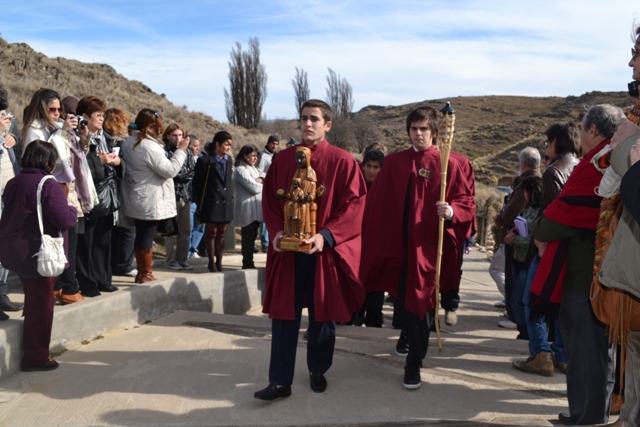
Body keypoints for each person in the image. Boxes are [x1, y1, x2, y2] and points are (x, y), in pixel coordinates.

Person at [254, 99, 366, 401]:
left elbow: (354, 205)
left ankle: (318, 369)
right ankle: (280, 381)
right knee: (284, 314)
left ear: (327, 125)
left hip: (322, 252)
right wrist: (276, 232)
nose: (308, 124)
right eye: (304, 118)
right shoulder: (282, 160)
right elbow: (270, 200)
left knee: (322, 314)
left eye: (315, 119)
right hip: (289, 252)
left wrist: (327, 236)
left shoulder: (343, 162)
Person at [360, 106, 475, 389]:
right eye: (414, 129)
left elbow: (466, 203)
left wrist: (451, 212)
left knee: (423, 304)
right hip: (398, 248)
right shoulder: (396, 163)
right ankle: (407, 337)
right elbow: (377, 205)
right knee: (403, 301)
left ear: (435, 132)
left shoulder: (451, 164)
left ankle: (414, 363)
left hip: (429, 249)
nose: (418, 134)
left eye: (424, 129)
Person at [531, 104, 623, 426]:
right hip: (591, 273)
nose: (579, 135)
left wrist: (540, 229)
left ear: (594, 131)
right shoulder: (598, 160)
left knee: (587, 351)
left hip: (585, 278)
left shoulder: (600, 163)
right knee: (591, 352)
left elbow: (570, 213)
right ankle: (584, 413)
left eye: (582, 129)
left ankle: (587, 418)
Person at [0, 140, 77, 371]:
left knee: (34, 301)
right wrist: (72, 209)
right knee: (41, 308)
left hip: (17, 251)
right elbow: (64, 219)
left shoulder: (14, 182)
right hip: (39, 255)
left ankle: (34, 352)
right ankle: (36, 357)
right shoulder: (48, 184)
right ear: (47, 162)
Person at [512, 122, 579, 377]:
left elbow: (552, 213)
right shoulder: (581, 167)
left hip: (551, 247)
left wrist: (541, 242)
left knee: (533, 300)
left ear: (555, 142)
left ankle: (541, 353)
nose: (547, 147)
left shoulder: (553, 172)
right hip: (573, 248)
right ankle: (561, 354)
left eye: (548, 142)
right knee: (560, 303)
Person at [121, 109, 188, 283]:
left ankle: (143, 272)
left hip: (136, 197)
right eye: (157, 126)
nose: (160, 130)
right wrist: (181, 151)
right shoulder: (149, 146)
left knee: (142, 235)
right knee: (146, 236)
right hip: (150, 199)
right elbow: (170, 170)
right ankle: (145, 274)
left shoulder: (129, 142)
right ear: (150, 127)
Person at [75, 96, 124, 298]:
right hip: (89, 195)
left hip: (107, 196)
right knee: (87, 241)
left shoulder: (105, 137)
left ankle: (103, 279)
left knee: (104, 240)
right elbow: (78, 164)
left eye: (103, 115)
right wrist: (100, 160)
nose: (102, 119)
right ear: (85, 116)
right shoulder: (79, 137)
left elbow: (119, 165)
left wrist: (118, 161)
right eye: (98, 115)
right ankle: (88, 283)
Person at [494, 147, 541, 333]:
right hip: (521, 238)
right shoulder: (535, 179)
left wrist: (500, 218)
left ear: (522, 163)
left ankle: (516, 317)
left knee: (515, 282)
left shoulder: (526, 183)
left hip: (518, 239)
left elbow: (511, 211)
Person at [192, 131, 234, 273]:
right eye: (226, 144)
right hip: (211, 203)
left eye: (230, 145)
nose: (228, 147)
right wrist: (200, 202)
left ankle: (219, 262)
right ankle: (211, 262)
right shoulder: (205, 161)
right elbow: (197, 184)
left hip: (225, 202)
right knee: (212, 233)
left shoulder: (229, 161)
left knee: (222, 234)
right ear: (217, 144)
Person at [353, 148, 385, 327]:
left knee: (375, 286)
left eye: (376, 167)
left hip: (376, 246)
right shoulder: (355, 185)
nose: (371, 170)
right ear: (363, 166)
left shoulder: (386, 188)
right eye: (369, 166)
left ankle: (374, 321)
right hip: (356, 243)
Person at [104, 108, 137, 278]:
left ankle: (116, 263)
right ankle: (123, 264)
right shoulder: (119, 143)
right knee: (126, 229)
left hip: (113, 191)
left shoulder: (109, 140)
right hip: (118, 191)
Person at [0, 86, 23, 315]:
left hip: (8, 194)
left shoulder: (7, 119)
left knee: (4, 248)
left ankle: (2, 294)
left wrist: (11, 135)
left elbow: (16, 145)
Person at [163, 123, 196, 271]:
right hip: (171, 197)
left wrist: (183, 174)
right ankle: (171, 261)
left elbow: (192, 172)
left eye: (180, 135)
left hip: (186, 196)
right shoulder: (164, 152)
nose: (177, 138)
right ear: (168, 136)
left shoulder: (188, 153)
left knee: (185, 230)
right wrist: (183, 174)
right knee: (171, 232)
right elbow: (172, 173)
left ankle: (183, 259)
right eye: (174, 135)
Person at [233, 144, 264, 269]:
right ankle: (247, 263)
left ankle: (249, 262)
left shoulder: (255, 169)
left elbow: (265, 177)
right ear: (245, 156)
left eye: (256, 155)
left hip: (255, 209)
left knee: (252, 237)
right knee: (247, 238)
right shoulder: (240, 170)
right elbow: (254, 188)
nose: (255, 158)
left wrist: (261, 179)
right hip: (246, 209)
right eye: (252, 155)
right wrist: (261, 182)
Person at [258, 135, 279, 252]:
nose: (274, 146)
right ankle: (265, 242)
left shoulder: (275, 155)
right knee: (264, 217)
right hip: (264, 187)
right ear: (268, 143)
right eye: (272, 144)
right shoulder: (263, 156)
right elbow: (260, 172)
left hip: (274, 188)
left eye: (276, 144)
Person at [187, 134, 205, 259]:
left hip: (200, 199)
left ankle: (193, 249)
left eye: (198, 146)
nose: (197, 148)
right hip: (189, 198)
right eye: (194, 146)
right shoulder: (184, 159)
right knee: (189, 227)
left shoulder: (202, 159)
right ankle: (187, 252)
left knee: (200, 226)